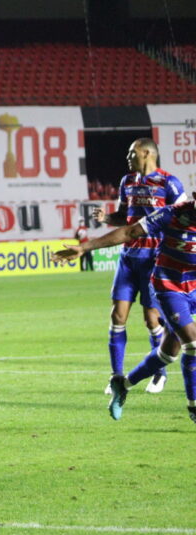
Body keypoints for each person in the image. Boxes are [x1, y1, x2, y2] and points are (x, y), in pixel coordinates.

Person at [55, 195, 196, 424]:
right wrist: (85, 247)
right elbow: (129, 232)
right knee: (193, 342)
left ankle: (124, 384)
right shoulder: (172, 214)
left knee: (170, 351)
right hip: (168, 286)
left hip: (194, 287)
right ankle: (194, 407)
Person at [94, 138, 184, 395]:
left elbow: (184, 218)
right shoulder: (127, 182)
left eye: (131, 152)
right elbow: (125, 217)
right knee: (117, 316)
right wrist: (107, 218)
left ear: (146, 153)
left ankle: (160, 373)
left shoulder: (169, 183)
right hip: (128, 258)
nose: (128, 157)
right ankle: (116, 376)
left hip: (154, 259)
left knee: (151, 318)